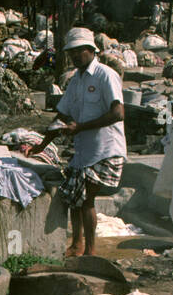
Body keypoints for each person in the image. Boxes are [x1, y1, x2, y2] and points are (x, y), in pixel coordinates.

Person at [34, 27, 126, 257]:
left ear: (90, 50)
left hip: (106, 149)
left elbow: (118, 113)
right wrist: (41, 145)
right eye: (71, 52)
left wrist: (80, 127)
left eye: (78, 51)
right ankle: (77, 245)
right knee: (74, 198)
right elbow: (62, 115)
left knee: (85, 199)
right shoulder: (76, 80)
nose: (74, 56)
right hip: (85, 151)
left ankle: (90, 252)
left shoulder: (106, 75)